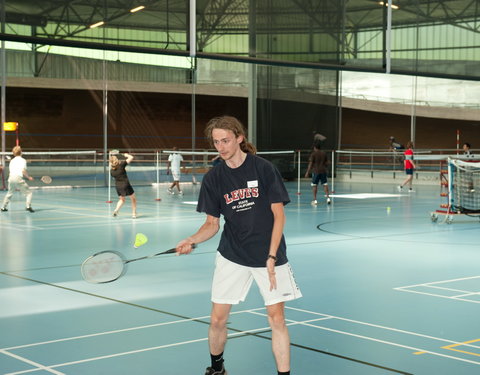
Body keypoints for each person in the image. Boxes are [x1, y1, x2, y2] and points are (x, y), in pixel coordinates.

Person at [176, 115, 302, 375]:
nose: (220, 147)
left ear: (239, 138)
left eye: (225, 140)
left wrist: (271, 256)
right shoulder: (214, 178)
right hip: (232, 254)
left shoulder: (263, 168)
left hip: (270, 254)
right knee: (217, 319)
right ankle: (217, 369)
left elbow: (279, 215)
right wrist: (191, 239)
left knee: (277, 319)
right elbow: (212, 224)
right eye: (216, 142)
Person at [1, 146, 35, 212]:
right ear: (21, 152)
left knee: (9, 193)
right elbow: (23, 171)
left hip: (11, 178)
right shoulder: (23, 160)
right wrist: (28, 177)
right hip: (18, 178)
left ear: (14, 153)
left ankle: (3, 207)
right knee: (29, 193)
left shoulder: (12, 161)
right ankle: (28, 206)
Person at [110, 152, 137, 218]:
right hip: (125, 184)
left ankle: (116, 210)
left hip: (118, 186)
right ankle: (134, 214)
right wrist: (126, 155)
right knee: (133, 198)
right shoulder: (121, 165)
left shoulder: (111, 171)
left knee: (122, 200)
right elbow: (131, 158)